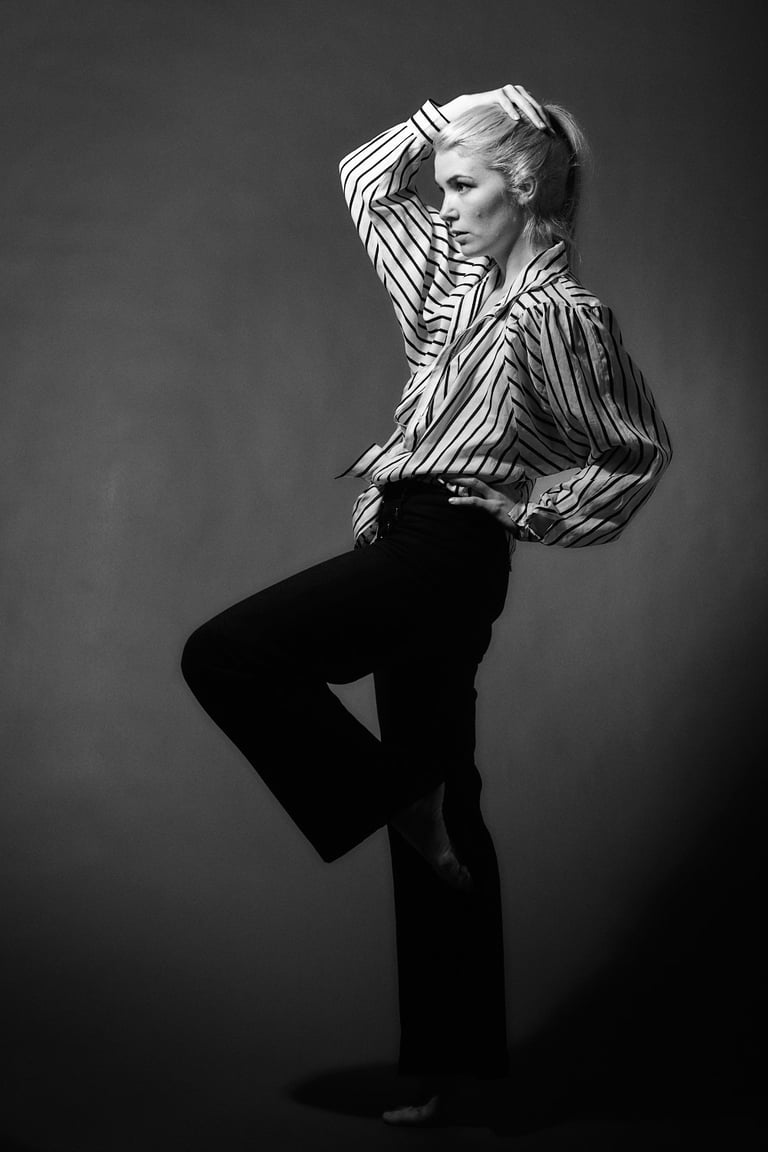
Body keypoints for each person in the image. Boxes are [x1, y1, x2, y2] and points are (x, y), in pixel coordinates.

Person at [180, 83, 671, 1127]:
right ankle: (453, 1073)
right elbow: (365, 178)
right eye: (441, 186)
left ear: (525, 186)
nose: (441, 207)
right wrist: (460, 109)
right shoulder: (450, 294)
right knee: (449, 800)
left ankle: (402, 797)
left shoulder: (560, 317)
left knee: (228, 652)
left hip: (450, 551)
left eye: (463, 184)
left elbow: (631, 449)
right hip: (404, 538)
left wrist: (536, 510)